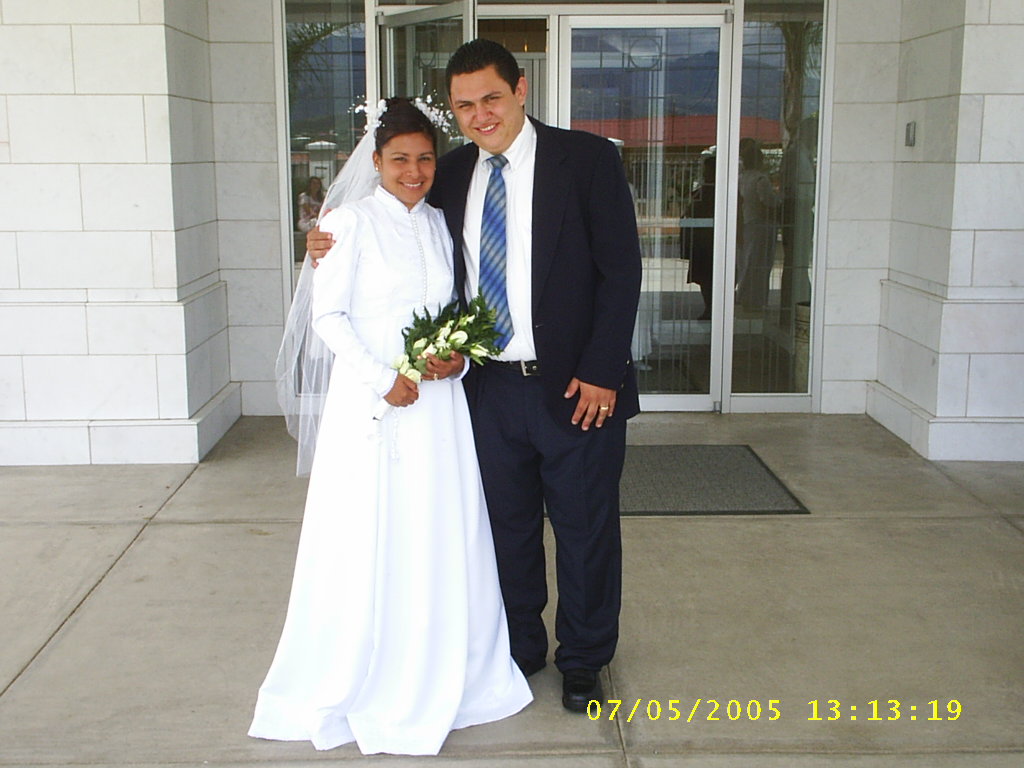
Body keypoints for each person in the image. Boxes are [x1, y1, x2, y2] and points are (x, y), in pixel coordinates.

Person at [307, 39, 642, 713]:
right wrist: (325, 241)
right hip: (485, 389)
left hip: (578, 388)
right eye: (464, 105)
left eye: (491, 97)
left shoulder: (586, 159)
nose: (480, 114)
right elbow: (393, 221)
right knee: (504, 531)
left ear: (520, 90)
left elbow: (621, 269)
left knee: (584, 531)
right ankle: (518, 648)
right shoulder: (450, 172)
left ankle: (584, 659)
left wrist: (603, 369)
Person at [249, 97, 531, 756]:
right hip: (373, 407)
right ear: (375, 161)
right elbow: (327, 318)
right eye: (400, 159)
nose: (414, 171)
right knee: (371, 530)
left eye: (425, 159)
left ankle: (442, 659)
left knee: (436, 527)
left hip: (437, 409)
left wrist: (457, 361)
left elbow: (455, 309)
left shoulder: (437, 223)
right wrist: (383, 379)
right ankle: (369, 668)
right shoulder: (347, 224)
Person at [736, 138, 780, 311]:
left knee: (746, 262)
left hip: (746, 223)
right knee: (761, 264)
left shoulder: (741, 178)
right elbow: (769, 202)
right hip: (761, 225)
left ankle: (744, 296)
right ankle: (756, 300)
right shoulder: (761, 180)